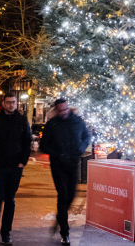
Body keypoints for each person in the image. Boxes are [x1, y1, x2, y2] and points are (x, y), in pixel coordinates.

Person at [39, 99, 91, 246]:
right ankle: (65, 232)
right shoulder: (52, 125)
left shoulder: (77, 121)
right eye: (60, 111)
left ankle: (60, 217)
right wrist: (58, 154)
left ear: (68, 108)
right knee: (63, 195)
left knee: (72, 195)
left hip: (73, 163)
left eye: (65, 109)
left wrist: (80, 149)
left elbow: (86, 136)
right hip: (58, 165)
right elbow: (43, 146)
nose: (63, 113)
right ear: (56, 111)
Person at [0, 93, 32, 245]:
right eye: (8, 102)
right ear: (3, 103)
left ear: (16, 103)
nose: (11, 105)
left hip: (15, 166)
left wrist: (22, 162)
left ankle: (6, 232)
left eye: (13, 102)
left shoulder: (22, 121)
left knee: (10, 200)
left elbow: (27, 142)